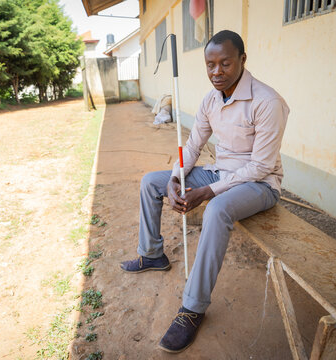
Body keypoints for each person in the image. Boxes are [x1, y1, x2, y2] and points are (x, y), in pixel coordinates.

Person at [120, 30, 289, 353]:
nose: (216, 72)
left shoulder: (268, 102)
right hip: (219, 173)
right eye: (210, 65)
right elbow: (193, 144)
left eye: (225, 63)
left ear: (242, 60)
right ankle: (153, 254)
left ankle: (192, 308)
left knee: (217, 209)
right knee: (150, 181)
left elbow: (261, 166)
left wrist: (208, 191)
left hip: (260, 185)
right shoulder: (211, 99)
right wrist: (175, 175)